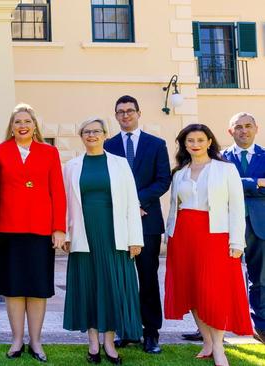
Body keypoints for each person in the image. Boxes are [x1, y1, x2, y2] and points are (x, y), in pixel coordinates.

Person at [165, 124, 252, 366]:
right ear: (184, 144)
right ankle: (207, 342)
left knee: (213, 291)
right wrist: (168, 235)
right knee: (192, 289)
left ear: (209, 142)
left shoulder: (226, 169)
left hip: (215, 236)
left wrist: (237, 241)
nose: (195, 144)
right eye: (190, 140)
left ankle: (220, 347)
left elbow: (236, 207)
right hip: (183, 236)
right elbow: (175, 207)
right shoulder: (179, 172)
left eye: (200, 139)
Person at [63, 117, 143, 365]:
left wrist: (135, 239)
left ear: (106, 135)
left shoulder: (120, 164)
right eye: (86, 131)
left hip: (114, 235)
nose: (92, 135)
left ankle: (109, 342)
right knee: (88, 286)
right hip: (83, 234)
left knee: (112, 287)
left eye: (96, 131)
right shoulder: (71, 166)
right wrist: (66, 234)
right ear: (81, 136)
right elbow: (66, 203)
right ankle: (93, 343)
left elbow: (132, 201)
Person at [0, 103, 66, 363]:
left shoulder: (49, 152)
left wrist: (59, 228)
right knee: (13, 288)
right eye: (17, 122)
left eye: (27, 121)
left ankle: (36, 341)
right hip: (8, 229)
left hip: (40, 230)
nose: (22, 125)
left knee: (37, 288)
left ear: (34, 125)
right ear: (11, 127)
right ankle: (16, 340)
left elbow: (58, 191)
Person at [104, 95, 170, 354]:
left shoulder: (156, 144)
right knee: (121, 277)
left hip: (147, 220)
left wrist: (136, 201)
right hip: (116, 222)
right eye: (120, 112)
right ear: (116, 115)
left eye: (130, 111)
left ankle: (151, 333)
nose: (125, 116)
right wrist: (125, 206)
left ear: (139, 113)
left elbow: (163, 180)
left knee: (148, 277)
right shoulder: (108, 145)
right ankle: (127, 330)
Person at [222, 112, 265, 344]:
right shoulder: (221, 158)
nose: (243, 131)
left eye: (248, 126)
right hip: (226, 225)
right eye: (238, 127)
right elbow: (220, 186)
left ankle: (260, 325)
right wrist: (256, 183)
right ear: (231, 131)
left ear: (256, 128)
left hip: (260, 224)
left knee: (259, 277)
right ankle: (215, 324)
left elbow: (231, 185)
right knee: (222, 277)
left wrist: (237, 184)